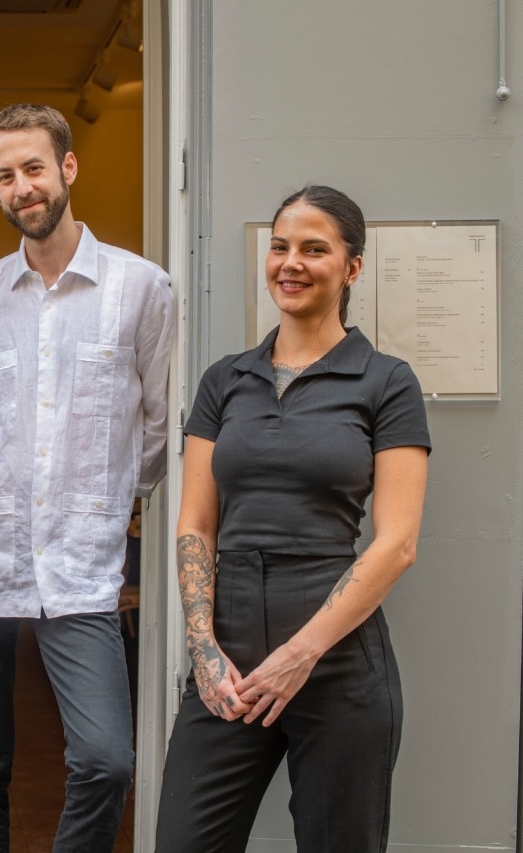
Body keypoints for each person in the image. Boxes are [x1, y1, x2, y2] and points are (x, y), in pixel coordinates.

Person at [0, 103, 175, 852]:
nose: (20, 187)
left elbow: (159, 423)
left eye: (33, 168)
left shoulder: (141, 287)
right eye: (4, 175)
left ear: (67, 168)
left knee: (105, 760)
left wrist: (109, 495)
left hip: (82, 561)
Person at [154, 185, 431, 852]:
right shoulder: (225, 380)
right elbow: (195, 523)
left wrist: (301, 654)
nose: (292, 262)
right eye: (280, 246)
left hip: (336, 656)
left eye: (315, 248)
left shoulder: (386, 381)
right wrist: (203, 649)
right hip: (228, 654)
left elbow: (396, 544)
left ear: (352, 267)